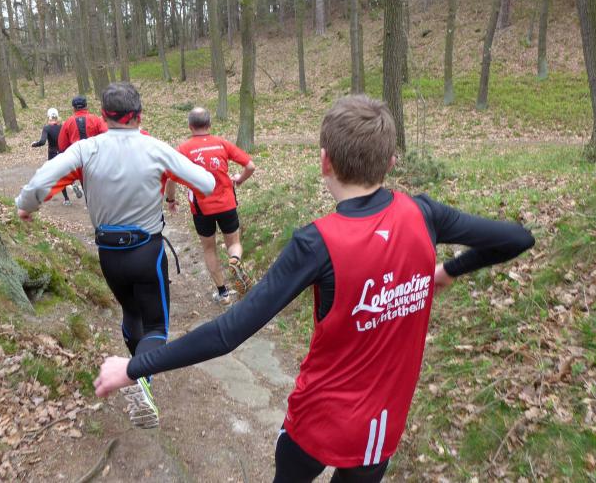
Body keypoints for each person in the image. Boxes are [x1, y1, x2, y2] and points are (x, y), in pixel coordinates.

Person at [93, 95, 535, 481]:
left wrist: (134, 367)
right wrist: (450, 270)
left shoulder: (317, 243)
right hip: (381, 429)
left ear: (325, 162)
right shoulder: (424, 214)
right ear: (391, 162)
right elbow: (517, 238)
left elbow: (230, 332)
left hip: (316, 422)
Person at [16, 83, 215, 429]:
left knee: (131, 313)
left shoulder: (86, 150)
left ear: (104, 116)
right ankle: (140, 377)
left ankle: (137, 373)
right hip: (147, 251)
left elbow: (39, 183)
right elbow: (207, 184)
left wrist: (26, 207)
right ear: (139, 115)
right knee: (156, 325)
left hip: (109, 254)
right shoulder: (155, 148)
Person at [164, 107, 256, 305]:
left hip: (201, 208)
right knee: (234, 243)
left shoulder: (183, 149)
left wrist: (170, 200)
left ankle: (223, 293)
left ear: (190, 126)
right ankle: (235, 259)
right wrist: (239, 179)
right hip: (227, 203)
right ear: (209, 124)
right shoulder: (222, 143)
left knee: (209, 249)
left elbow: (170, 179)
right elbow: (250, 166)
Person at [59, 95, 108, 199]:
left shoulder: (68, 123)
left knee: (86, 189)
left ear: (73, 108)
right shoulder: (96, 119)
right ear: (86, 106)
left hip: (80, 162)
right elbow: (107, 136)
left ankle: (91, 205)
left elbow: (62, 146)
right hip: (96, 159)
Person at [31, 108, 72, 205]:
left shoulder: (47, 128)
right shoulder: (62, 126)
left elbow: (42, 142)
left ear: (48, 117)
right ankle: (71, 185)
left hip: (52, 154)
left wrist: (34, 144)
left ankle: (65, 199)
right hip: (63, 153)